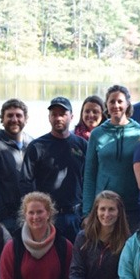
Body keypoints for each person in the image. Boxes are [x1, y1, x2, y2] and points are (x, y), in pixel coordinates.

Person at [20, 97, 87, 243]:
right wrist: (35, 213)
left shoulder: (81, 145)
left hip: (76, 215)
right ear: (49, 118)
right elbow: (26, 183)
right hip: (48, 217)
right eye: (54, 114)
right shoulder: (37, 146)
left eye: (62, 114)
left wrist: (86, 213)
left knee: (75, 259)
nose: (58, 118)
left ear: (72, 117)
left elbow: (89, 179)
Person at [82, 85, 140, 230]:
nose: (116, 105)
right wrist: (87, 212)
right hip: (104, 208)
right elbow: (89, 174)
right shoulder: (97, 134)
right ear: (106, 105)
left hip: (132, 206)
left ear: (127, 104)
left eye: (120, 101)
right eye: (112, 102)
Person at [0, 99, 33, 235]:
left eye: (18, 115)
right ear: (2, 119)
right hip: (6, 220)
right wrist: (3, 218)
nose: (14, 119)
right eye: (9, 115)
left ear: (26, 119)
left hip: (31, 216)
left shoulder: (32, 144)